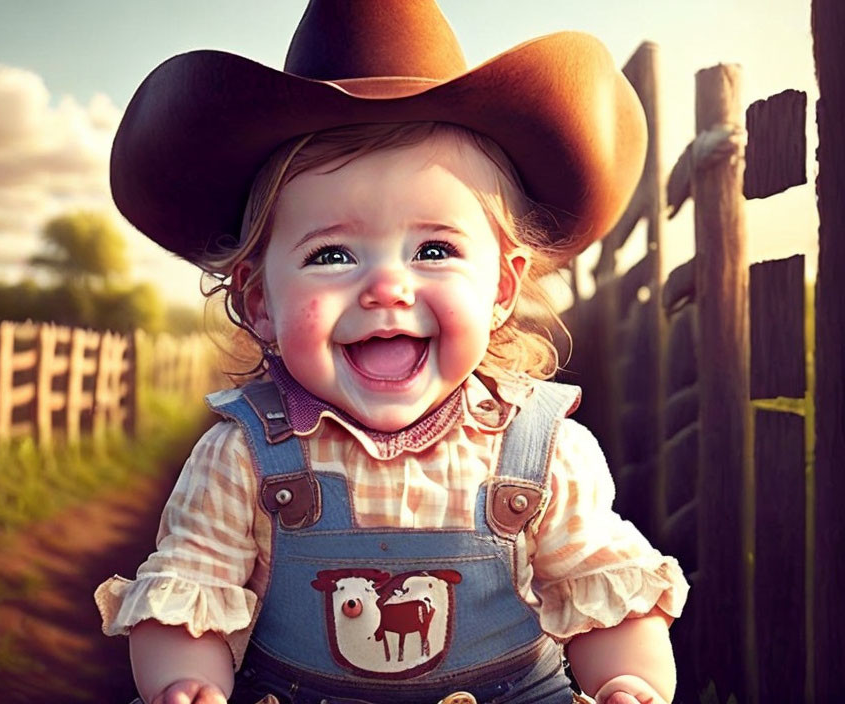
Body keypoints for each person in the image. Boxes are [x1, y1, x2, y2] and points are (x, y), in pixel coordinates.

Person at [95, 2, 688, 703]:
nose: (385, 286)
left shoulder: (547, 453)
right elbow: (192, 590)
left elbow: (602, 594)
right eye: (331, 253)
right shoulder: (242, 458)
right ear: (261, 301)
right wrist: (187, 680)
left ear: (501, 288)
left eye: (433, 249)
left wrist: (628, 679)